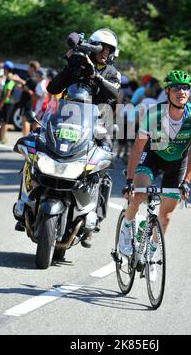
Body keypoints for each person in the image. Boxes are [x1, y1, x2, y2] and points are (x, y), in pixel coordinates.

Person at [119, 70, 191, 279]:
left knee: (165, 217)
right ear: (167, 91)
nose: (181, 91)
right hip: (152, 157)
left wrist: (186, 182)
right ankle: (127, 227)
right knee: (139, 195)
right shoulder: (155, 113)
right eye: (176, 87)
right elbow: (138, 148)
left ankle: (152, 255)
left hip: (177, 164)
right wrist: (130, 180)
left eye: (185, 88)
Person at [45, 28, 121, 248]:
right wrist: (70, 67)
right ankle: (30, 200)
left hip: (99, 128)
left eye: (109, 49)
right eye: (101, 47)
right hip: (68, 123)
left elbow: (115, 95)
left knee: (102, 170)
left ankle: (93, 222)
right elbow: (53, 88)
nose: (104, 52)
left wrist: (94, 76)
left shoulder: (112, 72)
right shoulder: (77, 64)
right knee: (40, 149)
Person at [12, 60, 40, 136]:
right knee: (29, 121)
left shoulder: (33, 79)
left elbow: (29, 88)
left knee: (26, 120)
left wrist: (18, 80)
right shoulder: (30, 78)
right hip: (26, 101)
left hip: (28, 102)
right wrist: (20, 86)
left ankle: (25, 137)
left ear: (33, 68)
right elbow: (25, 87)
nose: (28, 69)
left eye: (29, 68)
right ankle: (30, 137)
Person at [0, 61, 16, 144]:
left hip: (7, 102)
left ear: (7, 69)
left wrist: (1, 103)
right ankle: (1, 137)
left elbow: (8, 92)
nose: (3, 69)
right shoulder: (6, 78)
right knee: (2, 121)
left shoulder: (10, 79)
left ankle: (3, 138)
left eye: (4, 68)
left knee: (4, 121)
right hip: (6, 101)